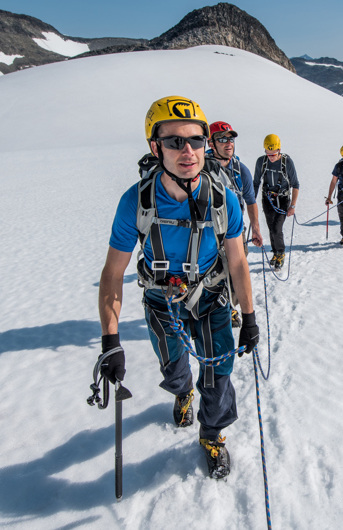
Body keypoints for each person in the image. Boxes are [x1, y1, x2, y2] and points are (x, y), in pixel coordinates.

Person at [97, 96, 260, 480]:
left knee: (219, 373)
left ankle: (212, 433)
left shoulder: (224, 201)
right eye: (174, 141)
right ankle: (181, 390)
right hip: (161, 299)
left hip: (210, 295)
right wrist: (110, 339)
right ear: (156, 147)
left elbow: (236, 261)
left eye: (195, 140)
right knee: (173, 369)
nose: (188, 151)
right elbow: (112, 274)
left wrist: (249, 316)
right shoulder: (135, 203)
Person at [206, 121, 261, 327]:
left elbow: (251, 201)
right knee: (212, 273)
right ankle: (215, 308)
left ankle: (231, 308)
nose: (228, 143)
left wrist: (255, 228)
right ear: (211, 143)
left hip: (235, 231)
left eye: (230, 138)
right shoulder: (200, 168)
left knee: (237, 270)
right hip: (209, 231)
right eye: (222, 138)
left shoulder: (241, 170)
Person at [253, 134, 300, 270]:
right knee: (271, 228)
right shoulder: (261, 162)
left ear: (279, 150)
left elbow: (295, 184)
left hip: (283, 200)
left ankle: (281, 253)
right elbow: (256, 183)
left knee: (276, 228)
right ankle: (275, 253)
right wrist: (251, 201)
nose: (271, 157)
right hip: (267, 199)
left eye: (273, 154)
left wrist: (293, 205)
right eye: (268, 154)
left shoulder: (287, 163)